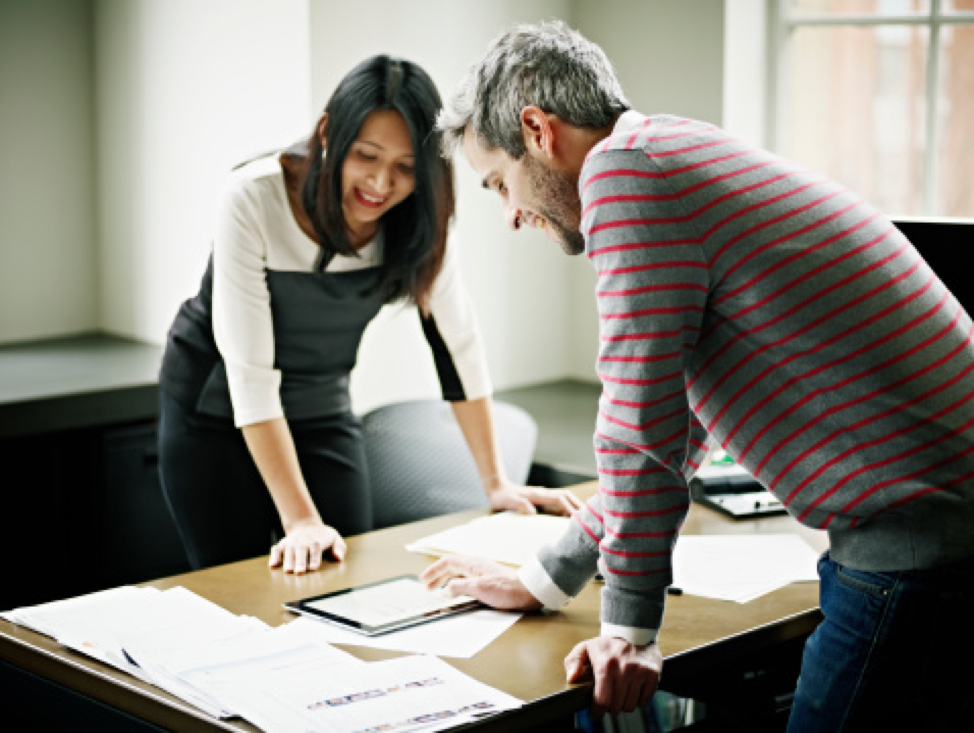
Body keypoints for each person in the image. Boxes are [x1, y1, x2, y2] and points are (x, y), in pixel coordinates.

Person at [421, 20, 974, 730]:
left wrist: (628, 629)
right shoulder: (668, 151)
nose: (510, 214)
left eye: (500, 183)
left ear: (537, 131)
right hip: (937, 532)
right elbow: (676, 430)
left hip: (918, 549)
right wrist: (545, 576)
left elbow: (638, 426)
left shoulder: (624, 177)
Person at [158, 55, 583, 577]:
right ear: (327, 134)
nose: (381, 184)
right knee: (239, 587)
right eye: (366, 156)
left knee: (347, 575)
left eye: (406, 168)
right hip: (215, 412)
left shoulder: (419, 224)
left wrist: (495, 481)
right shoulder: (252, 197)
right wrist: (300, 521)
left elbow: (458, 346)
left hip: (319, 405)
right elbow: (250, 373)